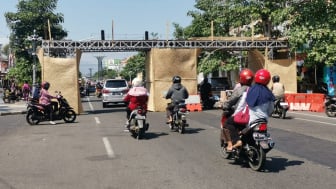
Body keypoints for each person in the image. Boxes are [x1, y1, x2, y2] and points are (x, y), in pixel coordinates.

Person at [221, 69, 254, 152]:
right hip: (254, 117)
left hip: (242, 115)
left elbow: (230, 102)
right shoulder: (255, 90)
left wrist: (224, 105)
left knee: (227, 124)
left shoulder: (240, 90)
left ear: (241, 79)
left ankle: (235, 141)